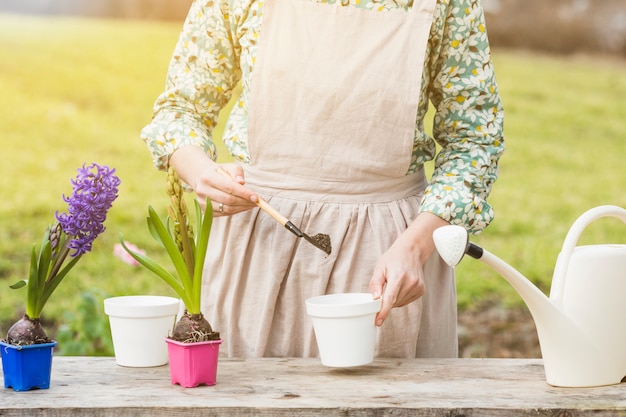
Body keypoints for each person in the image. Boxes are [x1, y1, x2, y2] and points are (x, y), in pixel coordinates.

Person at [141, 0, 505, 359]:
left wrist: (416, 245)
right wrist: (202, 172)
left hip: (390, 258)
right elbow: (181, 109)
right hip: (257, 247)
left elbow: (475, 137)